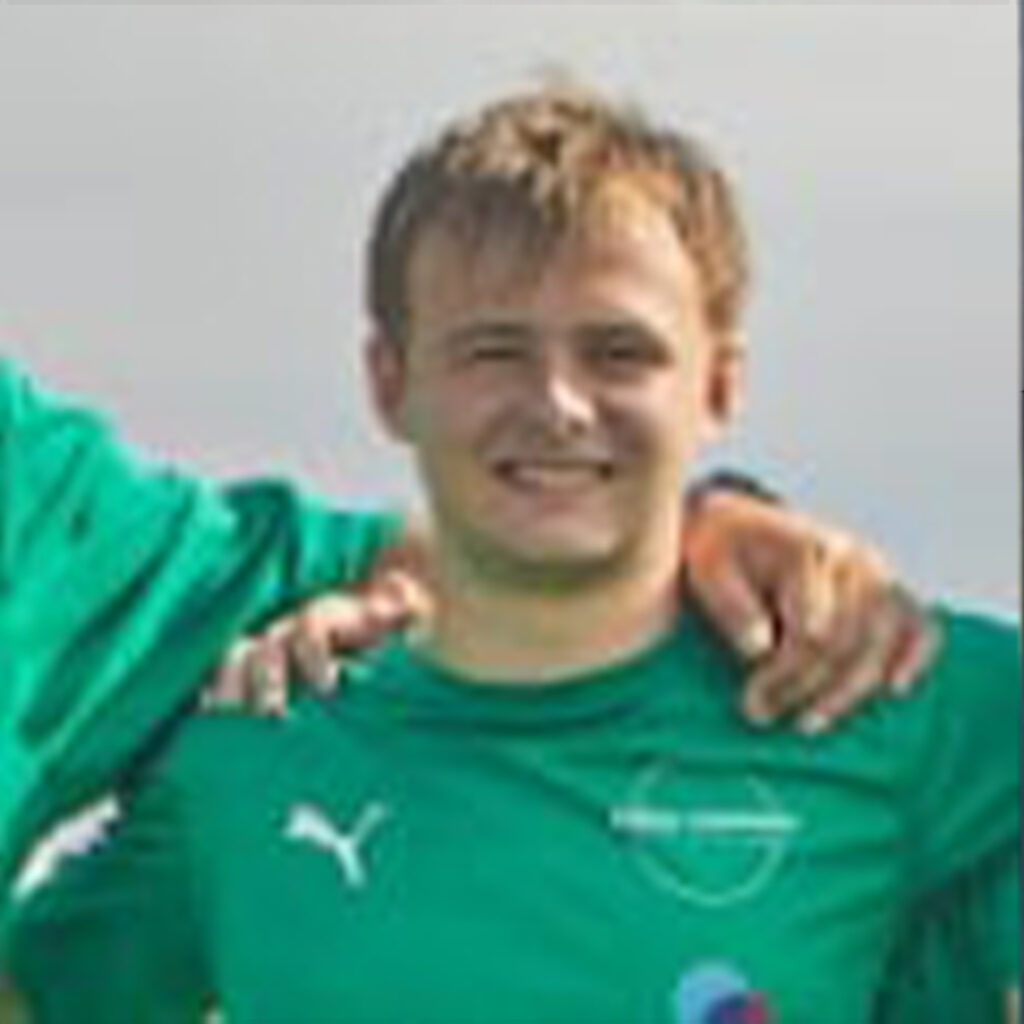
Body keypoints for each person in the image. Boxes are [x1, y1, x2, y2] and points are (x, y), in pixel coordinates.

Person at [5, 83, 1018, 1022]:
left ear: (719, 385)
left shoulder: (880, 697)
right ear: (388, 383)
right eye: (493, 352)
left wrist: (727, 520)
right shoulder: (249, 757)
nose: (557, 404)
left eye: (620, 353)